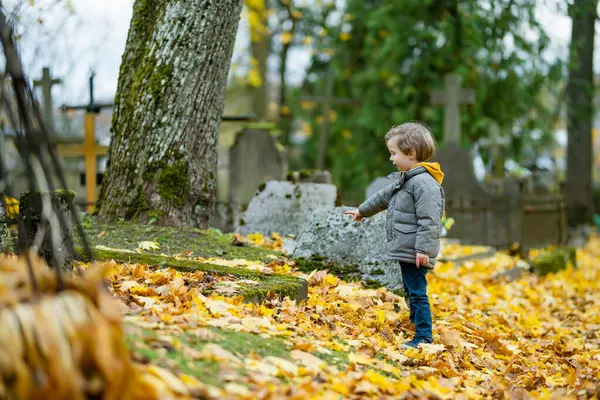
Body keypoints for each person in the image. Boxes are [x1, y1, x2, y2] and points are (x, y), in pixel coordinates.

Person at [344, 122, 445, 348]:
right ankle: (415, 325)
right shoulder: (407, 179)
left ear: (411, 153)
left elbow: (430, 220)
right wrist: (362, 210)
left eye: (394, 153)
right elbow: (382, 197)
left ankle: (424, 336)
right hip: (407, 247)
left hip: (416, 250)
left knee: (418, 292)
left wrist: (423, 250)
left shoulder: (424, 184)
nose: (391, 158)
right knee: (410, 289)